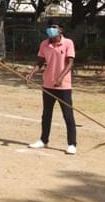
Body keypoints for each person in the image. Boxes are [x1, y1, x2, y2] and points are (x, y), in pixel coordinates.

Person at [26, 25, 77, 154]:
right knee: (46, 114)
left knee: (68, 115)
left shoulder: (68, 43)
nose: (51, 29)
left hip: (63, 86)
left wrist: (60, 78)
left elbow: (70, 63)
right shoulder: (44, 44)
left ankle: (72, 144)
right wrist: (32, 73)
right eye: (50, 28)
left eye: (55, 28)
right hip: (48, 85)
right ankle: (44, 140)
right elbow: (40, 62)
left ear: (60, 31)